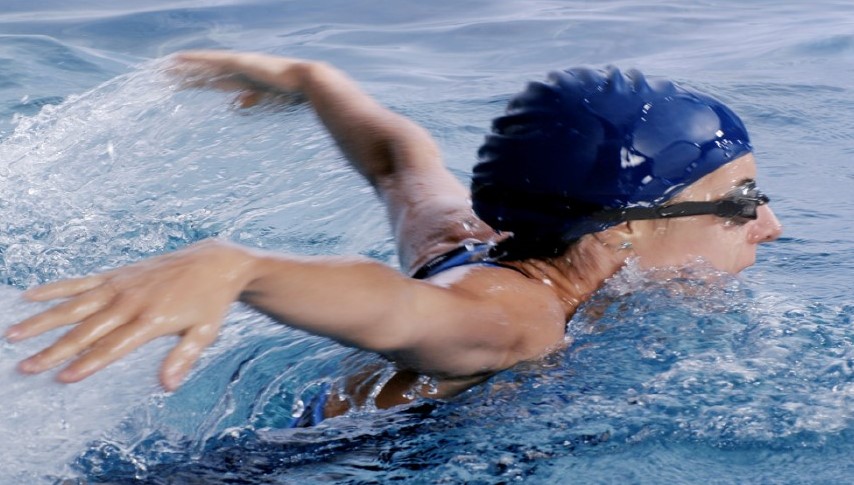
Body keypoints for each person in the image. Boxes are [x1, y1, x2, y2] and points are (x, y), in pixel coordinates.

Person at [3, 51, 782, 425]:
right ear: (621, 233)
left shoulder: (473, 239)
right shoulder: (515, 315)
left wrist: (312, 80)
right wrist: (235, 266)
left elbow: (398, 158)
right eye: (740, 201)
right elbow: (398, 312)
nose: (770, 226)